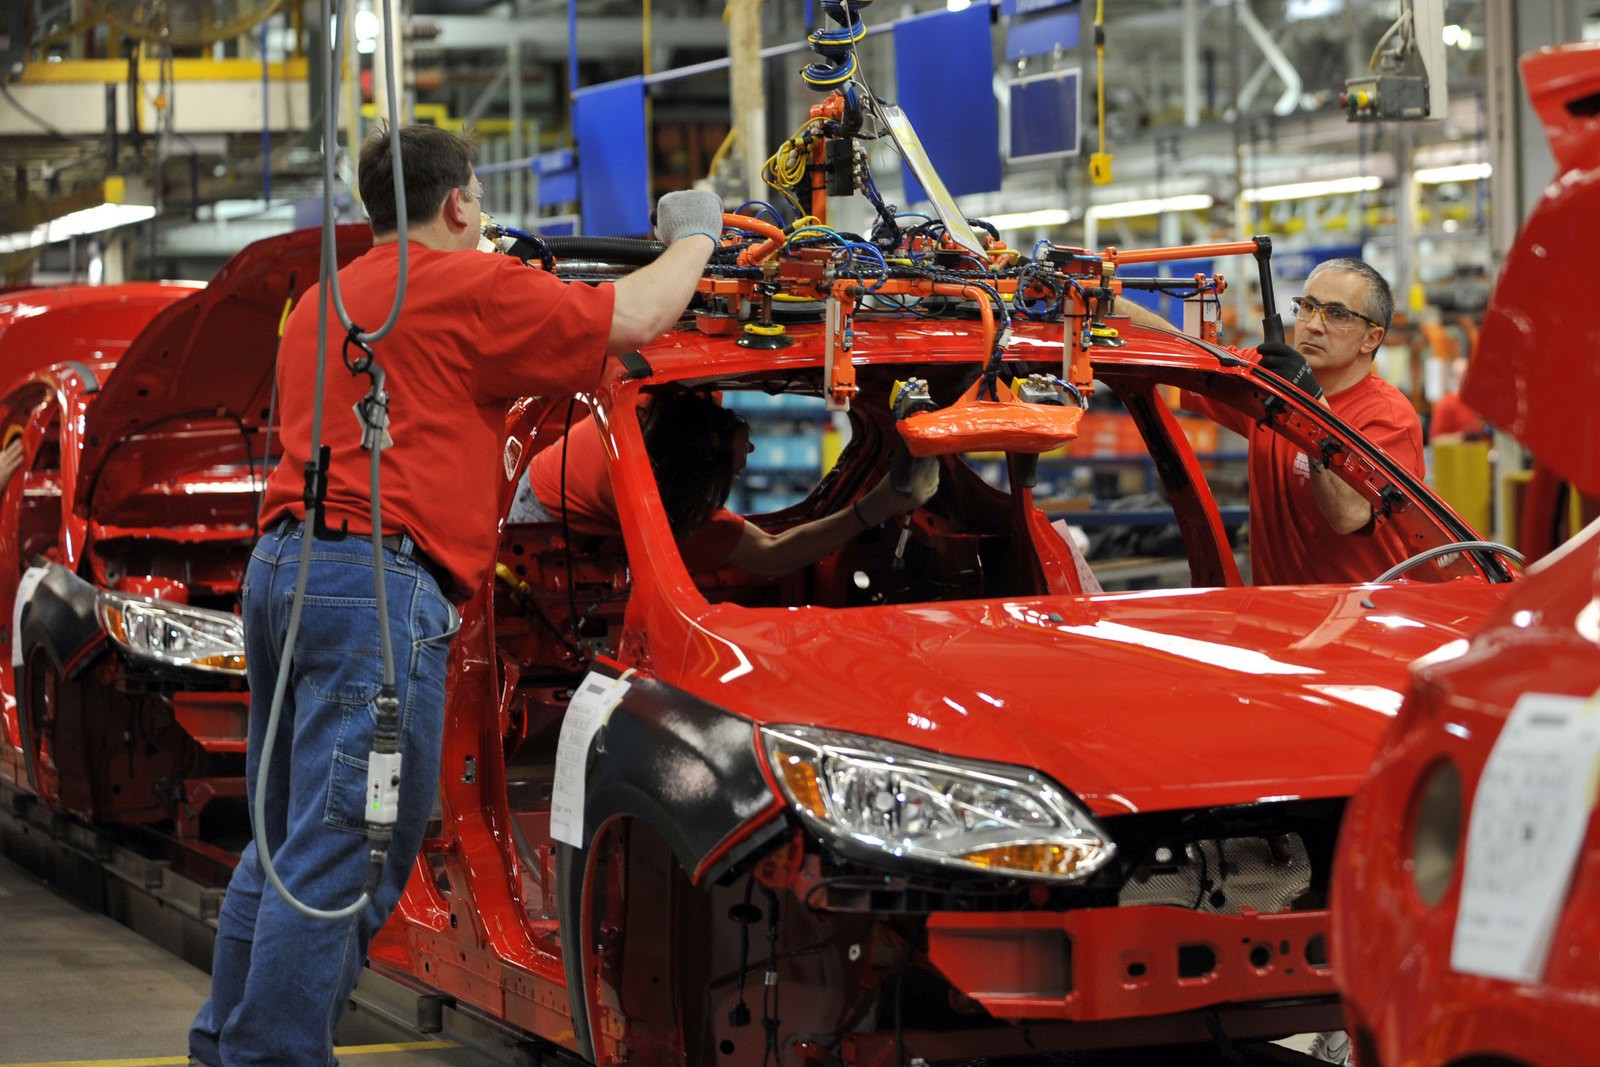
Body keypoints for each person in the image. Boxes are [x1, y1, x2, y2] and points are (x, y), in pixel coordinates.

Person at [188, 124, 723, 1066]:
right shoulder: (467, 288)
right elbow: (638, 317)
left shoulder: (322, 301)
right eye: (476, 199)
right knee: (348, 849)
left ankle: (222, 1046)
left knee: (283, 843)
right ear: (458, 203)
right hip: (372, 593)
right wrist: (699, 233)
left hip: (281, 576)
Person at [1128, 258, 1423, 585]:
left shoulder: (1389, 417)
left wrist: (1311, 403)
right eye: (1308, 307)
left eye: (1337, 314)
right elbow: (1182, 352)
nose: (1313, 325)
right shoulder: (1270, 380)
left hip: (1361, 610)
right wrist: (1102, 302)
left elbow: (1349, 514)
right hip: (1277, 609)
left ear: (1371, 338)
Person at [513, 391, 938, 578]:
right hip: (538, 520)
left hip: (557, 476)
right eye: (733, 471)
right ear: (695, 477)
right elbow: (773, 555)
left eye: (742, 435)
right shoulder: (664, 509)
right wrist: (878, 505)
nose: (751, 449)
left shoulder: (665, 406)